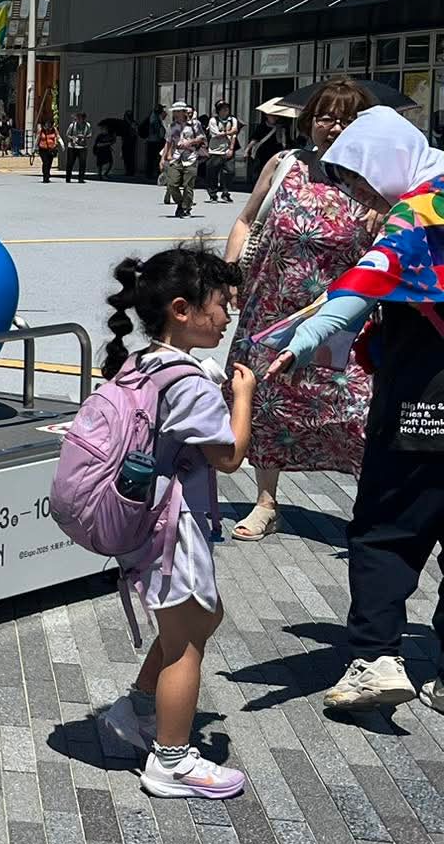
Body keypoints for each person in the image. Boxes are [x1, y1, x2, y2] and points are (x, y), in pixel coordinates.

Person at [260, 108, 444, 714]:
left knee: (388, 526)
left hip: (423, 396)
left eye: (359, 180)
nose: (357, 195)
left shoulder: (416, 213)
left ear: (383, 161)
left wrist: (301, 342)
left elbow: (363, 287)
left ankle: (376, 657)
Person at [92, 247, 254, 798]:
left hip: (144, 515)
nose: (228, 316)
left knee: (201, 618)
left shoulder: (145, 361)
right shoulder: (188, 382)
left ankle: (136, 709)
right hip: (171, 524)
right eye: (221, 304)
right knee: (186, 643)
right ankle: (171, 760)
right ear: (182, 310)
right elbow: (228, 456)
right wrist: (242, 397)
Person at [222, 79, 375, 542]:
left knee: (359, 412)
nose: (335, 127)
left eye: (347, 119)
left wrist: (386, 210)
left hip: (344, 319)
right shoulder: (285, 164)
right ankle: (266, 502)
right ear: (309, 121)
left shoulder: (377, 180)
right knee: (266, 404)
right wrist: (229, 273)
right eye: (326, 117)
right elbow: (246, 219)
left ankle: (370, 510)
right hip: (272, 309)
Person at [161, 101, 202, 218]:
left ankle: (186, 208)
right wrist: (164, 158)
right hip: (176, 158)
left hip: (191, 157)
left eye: (178, 111)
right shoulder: (172, 126)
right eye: (174, 112)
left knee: (188, 185)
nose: (175, 114)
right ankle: (180, 203)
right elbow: (168, 142)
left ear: (184, 112)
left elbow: (201, 138)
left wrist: (190, 142)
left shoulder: (195, 124)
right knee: (172, 184)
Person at [204, 100, 240, 203]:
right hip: (215, 151)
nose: (225, 111)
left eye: (226, 109)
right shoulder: (213, 120)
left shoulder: (232, 120)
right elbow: (216, 134)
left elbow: (234, 134)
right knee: (212, 173)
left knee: (230, 171)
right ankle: (213, 194)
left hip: (227, 149)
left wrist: (231, 149)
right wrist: (229, 132)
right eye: (222, 109)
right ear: (218, 111)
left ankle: (225, 192)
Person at [65, 110, 94, 183]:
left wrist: (84, 137)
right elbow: (67, 135)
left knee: (82, 163)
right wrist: (73, 138)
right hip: (72, 147)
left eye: (81, 117)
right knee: (70, 163)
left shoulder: (87, 125)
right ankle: (68, 177)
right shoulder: (72, 125)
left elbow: (90, 134)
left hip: (83, 147)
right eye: (78, 117)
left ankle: (81, 178)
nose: (79, 119)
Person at [142, 106, 165, 180]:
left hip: (151, 140)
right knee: (153, 158)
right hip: (154, 141)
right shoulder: (154, 118)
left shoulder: (152, 117)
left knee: (151, 158)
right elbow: (156, 129)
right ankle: (151, 173)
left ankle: (150, 173)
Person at [36, 115, 59, 182]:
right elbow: (37, 139)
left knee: (49, 163)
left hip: (51, 149)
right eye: (47, 123)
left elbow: (58, 136)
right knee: (45, 162)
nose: (48, 124)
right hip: (43, 149)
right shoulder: (41, 130)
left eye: (49, 123)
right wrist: (34, 148)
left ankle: (47, 174)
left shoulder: (54, 130)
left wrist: (61, 144)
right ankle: (45, 177)